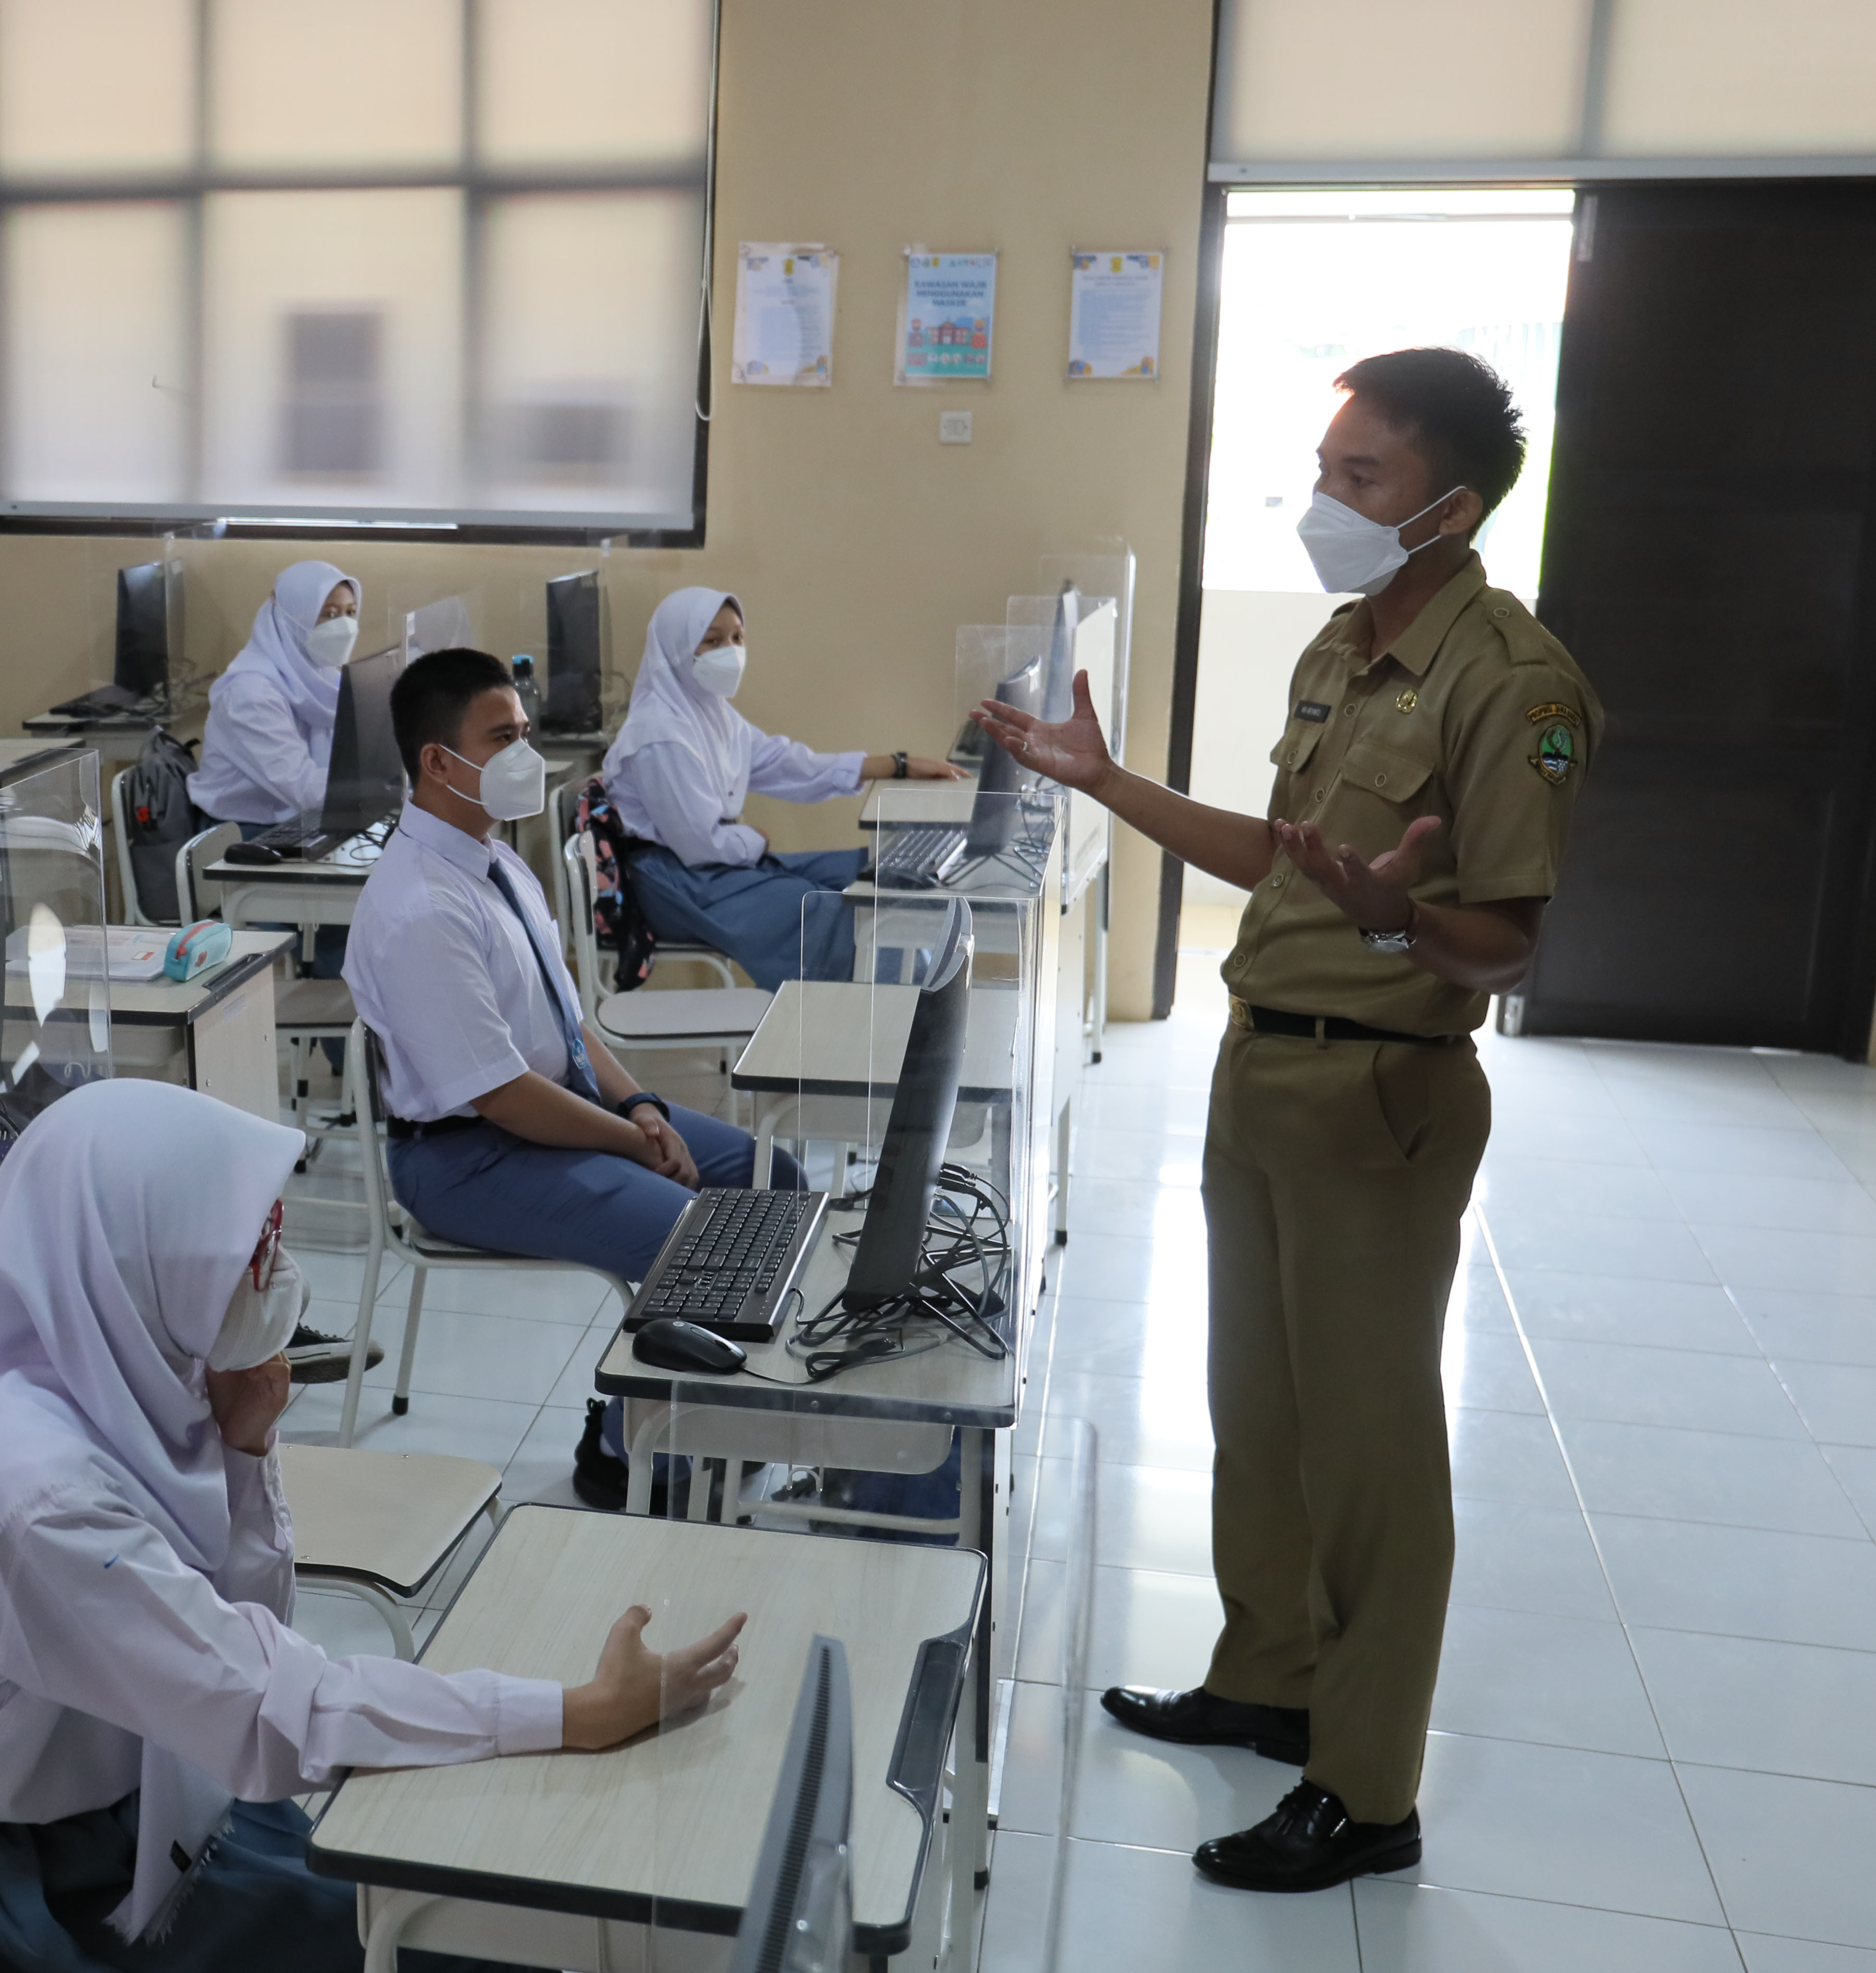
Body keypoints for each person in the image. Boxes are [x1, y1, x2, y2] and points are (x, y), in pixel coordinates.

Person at [978, 347, 1599, 1893]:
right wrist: (1102, 779)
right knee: (1256, 1409)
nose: (1325, 499)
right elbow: (1275, 848)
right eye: (1324, 467)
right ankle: (1267, 1673)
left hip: (1379, 1093)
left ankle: (1365, 1784)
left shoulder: (1508, 676)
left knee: (1371, 1448)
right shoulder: (1340, 646)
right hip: (1259, 1070)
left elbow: (1506, 938)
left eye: (1360, 477)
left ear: (1448, 506)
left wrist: (1400, 918)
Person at [0, 1078, 745, 1972]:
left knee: (438, 1901)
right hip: (25, 1869)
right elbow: (273, 1711)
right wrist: (574, 1711)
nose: (274, 1274)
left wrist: (245, 1453)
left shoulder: (123, 1380)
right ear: (134, 1260)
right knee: (432, 1943)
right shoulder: (31, 1490)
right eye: (248, 1250)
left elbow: (251, 1644)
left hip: (155, 1776)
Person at [345, 647, 792, 1510]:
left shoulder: (496, 860)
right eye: (503, 737)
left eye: (525, 731)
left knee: (771, 1176)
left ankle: (716, 1414)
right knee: (689, 1237)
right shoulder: (421, 907)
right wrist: (635, 1143)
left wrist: (640, 1105)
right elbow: (502, 1094)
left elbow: (565, 1021)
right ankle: (629, 1452)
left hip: (559, 1108)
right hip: (467, 1159)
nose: (527, 753)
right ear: (439, 762)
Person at [607, 587, 957, 987]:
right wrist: (754, 840)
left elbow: (784, 763)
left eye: (738, 637)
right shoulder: (659, 735)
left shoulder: (710, 712)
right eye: (713, 640)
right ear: (676, 649)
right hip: (678, 880)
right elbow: (700, 844)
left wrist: (897, 766)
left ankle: (919, 1001)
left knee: (877, 870)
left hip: (719, 862)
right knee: (831, 913)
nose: (732, 650)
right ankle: (878, 1029)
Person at [188, 561, 362, 974]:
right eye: (329, 614)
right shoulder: (251, 690)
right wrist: (378, 789)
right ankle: (347, 1029)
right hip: (237, 840)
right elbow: (302, 786)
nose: (344, 627)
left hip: (294, 824)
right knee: (348, 922)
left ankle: (356, 1028)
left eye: (351, 613)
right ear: (294, 616)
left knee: (367, 906)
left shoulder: (318, 677)